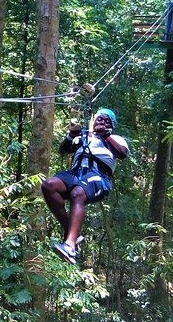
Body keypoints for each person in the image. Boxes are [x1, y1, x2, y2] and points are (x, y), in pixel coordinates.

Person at [41, 108, 129, 264]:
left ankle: (69, 245)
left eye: (107, 121)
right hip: (75, 174)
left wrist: (106, 135)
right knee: (49, 186)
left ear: (112, 126)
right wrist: (72, 135)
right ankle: (73, 232)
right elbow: (63, 150)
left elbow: (122, 154)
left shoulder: (114, 139)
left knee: (78, 193)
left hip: (98, 176)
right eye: (99, 119)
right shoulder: (85, 137)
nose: (102, 122)